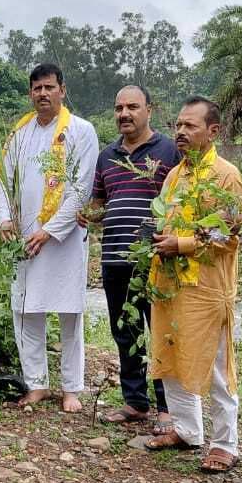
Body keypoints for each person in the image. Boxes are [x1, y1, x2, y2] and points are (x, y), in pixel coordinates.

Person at [143, 97, 242, 476]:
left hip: (206, 288)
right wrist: (159, 239)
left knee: (216, 364)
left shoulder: (226, 175)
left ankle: (224, 444)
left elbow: (232, 234)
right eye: (179, 126)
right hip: (170, 282)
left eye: (191, 126)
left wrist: (183, 244)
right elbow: (168, 219)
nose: (181, 133)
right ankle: (187, 430)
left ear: (213, 131)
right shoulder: (175, 175)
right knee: (171, 355)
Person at [0, 63, 99, 413]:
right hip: (24, 237)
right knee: (26, 310)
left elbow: (82, 188)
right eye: (37, 88)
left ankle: (71, 388)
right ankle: (36, 383)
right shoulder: (19, 133)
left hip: (65, 239)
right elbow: (2, 178)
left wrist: (51, 230)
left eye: (49, 87)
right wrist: (4, 218)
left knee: (69, 312)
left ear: (62, 90)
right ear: (30, 93)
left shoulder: (81, 131)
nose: (43, 93)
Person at [77, 85, 180, 432]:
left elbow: (182, 201)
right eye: (119, 107)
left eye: (132, 107)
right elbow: (100, 203)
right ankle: (135, 402)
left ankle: (168, 407)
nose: (124, 114)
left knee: (162, 331)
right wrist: (88, 214)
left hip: (155, 259)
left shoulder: (169, 149)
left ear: (149, 109)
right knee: (125, 330)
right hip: (114, 258)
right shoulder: (107, 156)